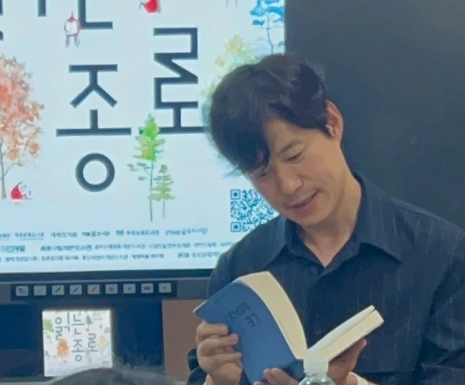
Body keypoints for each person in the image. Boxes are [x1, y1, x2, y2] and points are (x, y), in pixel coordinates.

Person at [188, 53, 465, 385]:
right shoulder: (240, 269)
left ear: (332, 123)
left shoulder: (443, 256)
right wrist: (218, 379)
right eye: (262, 174)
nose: (288, 186)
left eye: (295, 156)